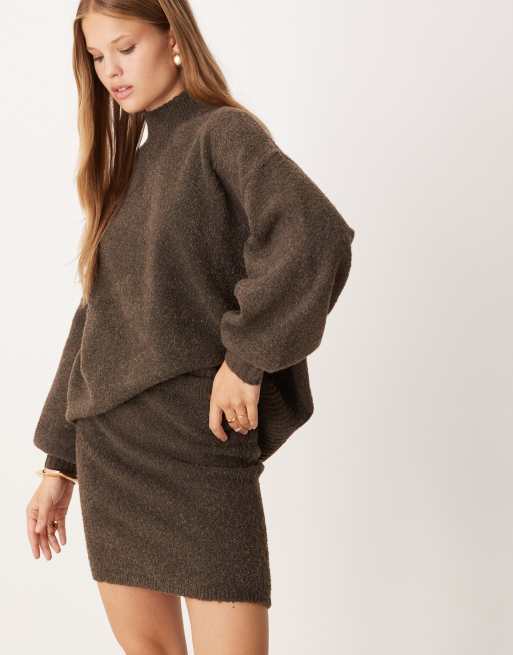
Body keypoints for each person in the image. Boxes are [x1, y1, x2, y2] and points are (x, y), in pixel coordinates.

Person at [25, 1, 355, 653]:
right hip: (112, 453)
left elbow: (313, 232)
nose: (110, 71)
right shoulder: (129, 168)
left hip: (196, 445)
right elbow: (99, 317)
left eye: (124, 48)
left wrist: (246, 358)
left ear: (172, 38)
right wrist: (59, 465)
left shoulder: (220, 134)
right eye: (96, 57)